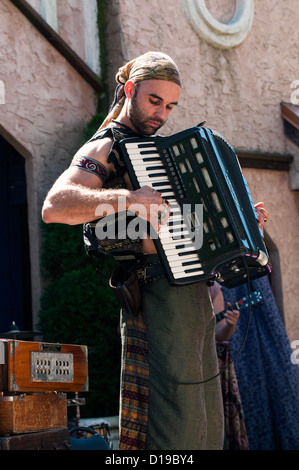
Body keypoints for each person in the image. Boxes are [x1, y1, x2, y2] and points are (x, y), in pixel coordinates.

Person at [42, 51, 269, 450]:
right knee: (174, 425)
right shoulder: (107, 145)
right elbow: (55, 206)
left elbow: (184, 226)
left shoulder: (159, 151)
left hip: (195, 292)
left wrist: (241, 222)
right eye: (153, 100)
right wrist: (127, 198)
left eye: (170, 106)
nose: (161, 113)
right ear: (130, 90)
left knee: (206, 422)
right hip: (156, 293)